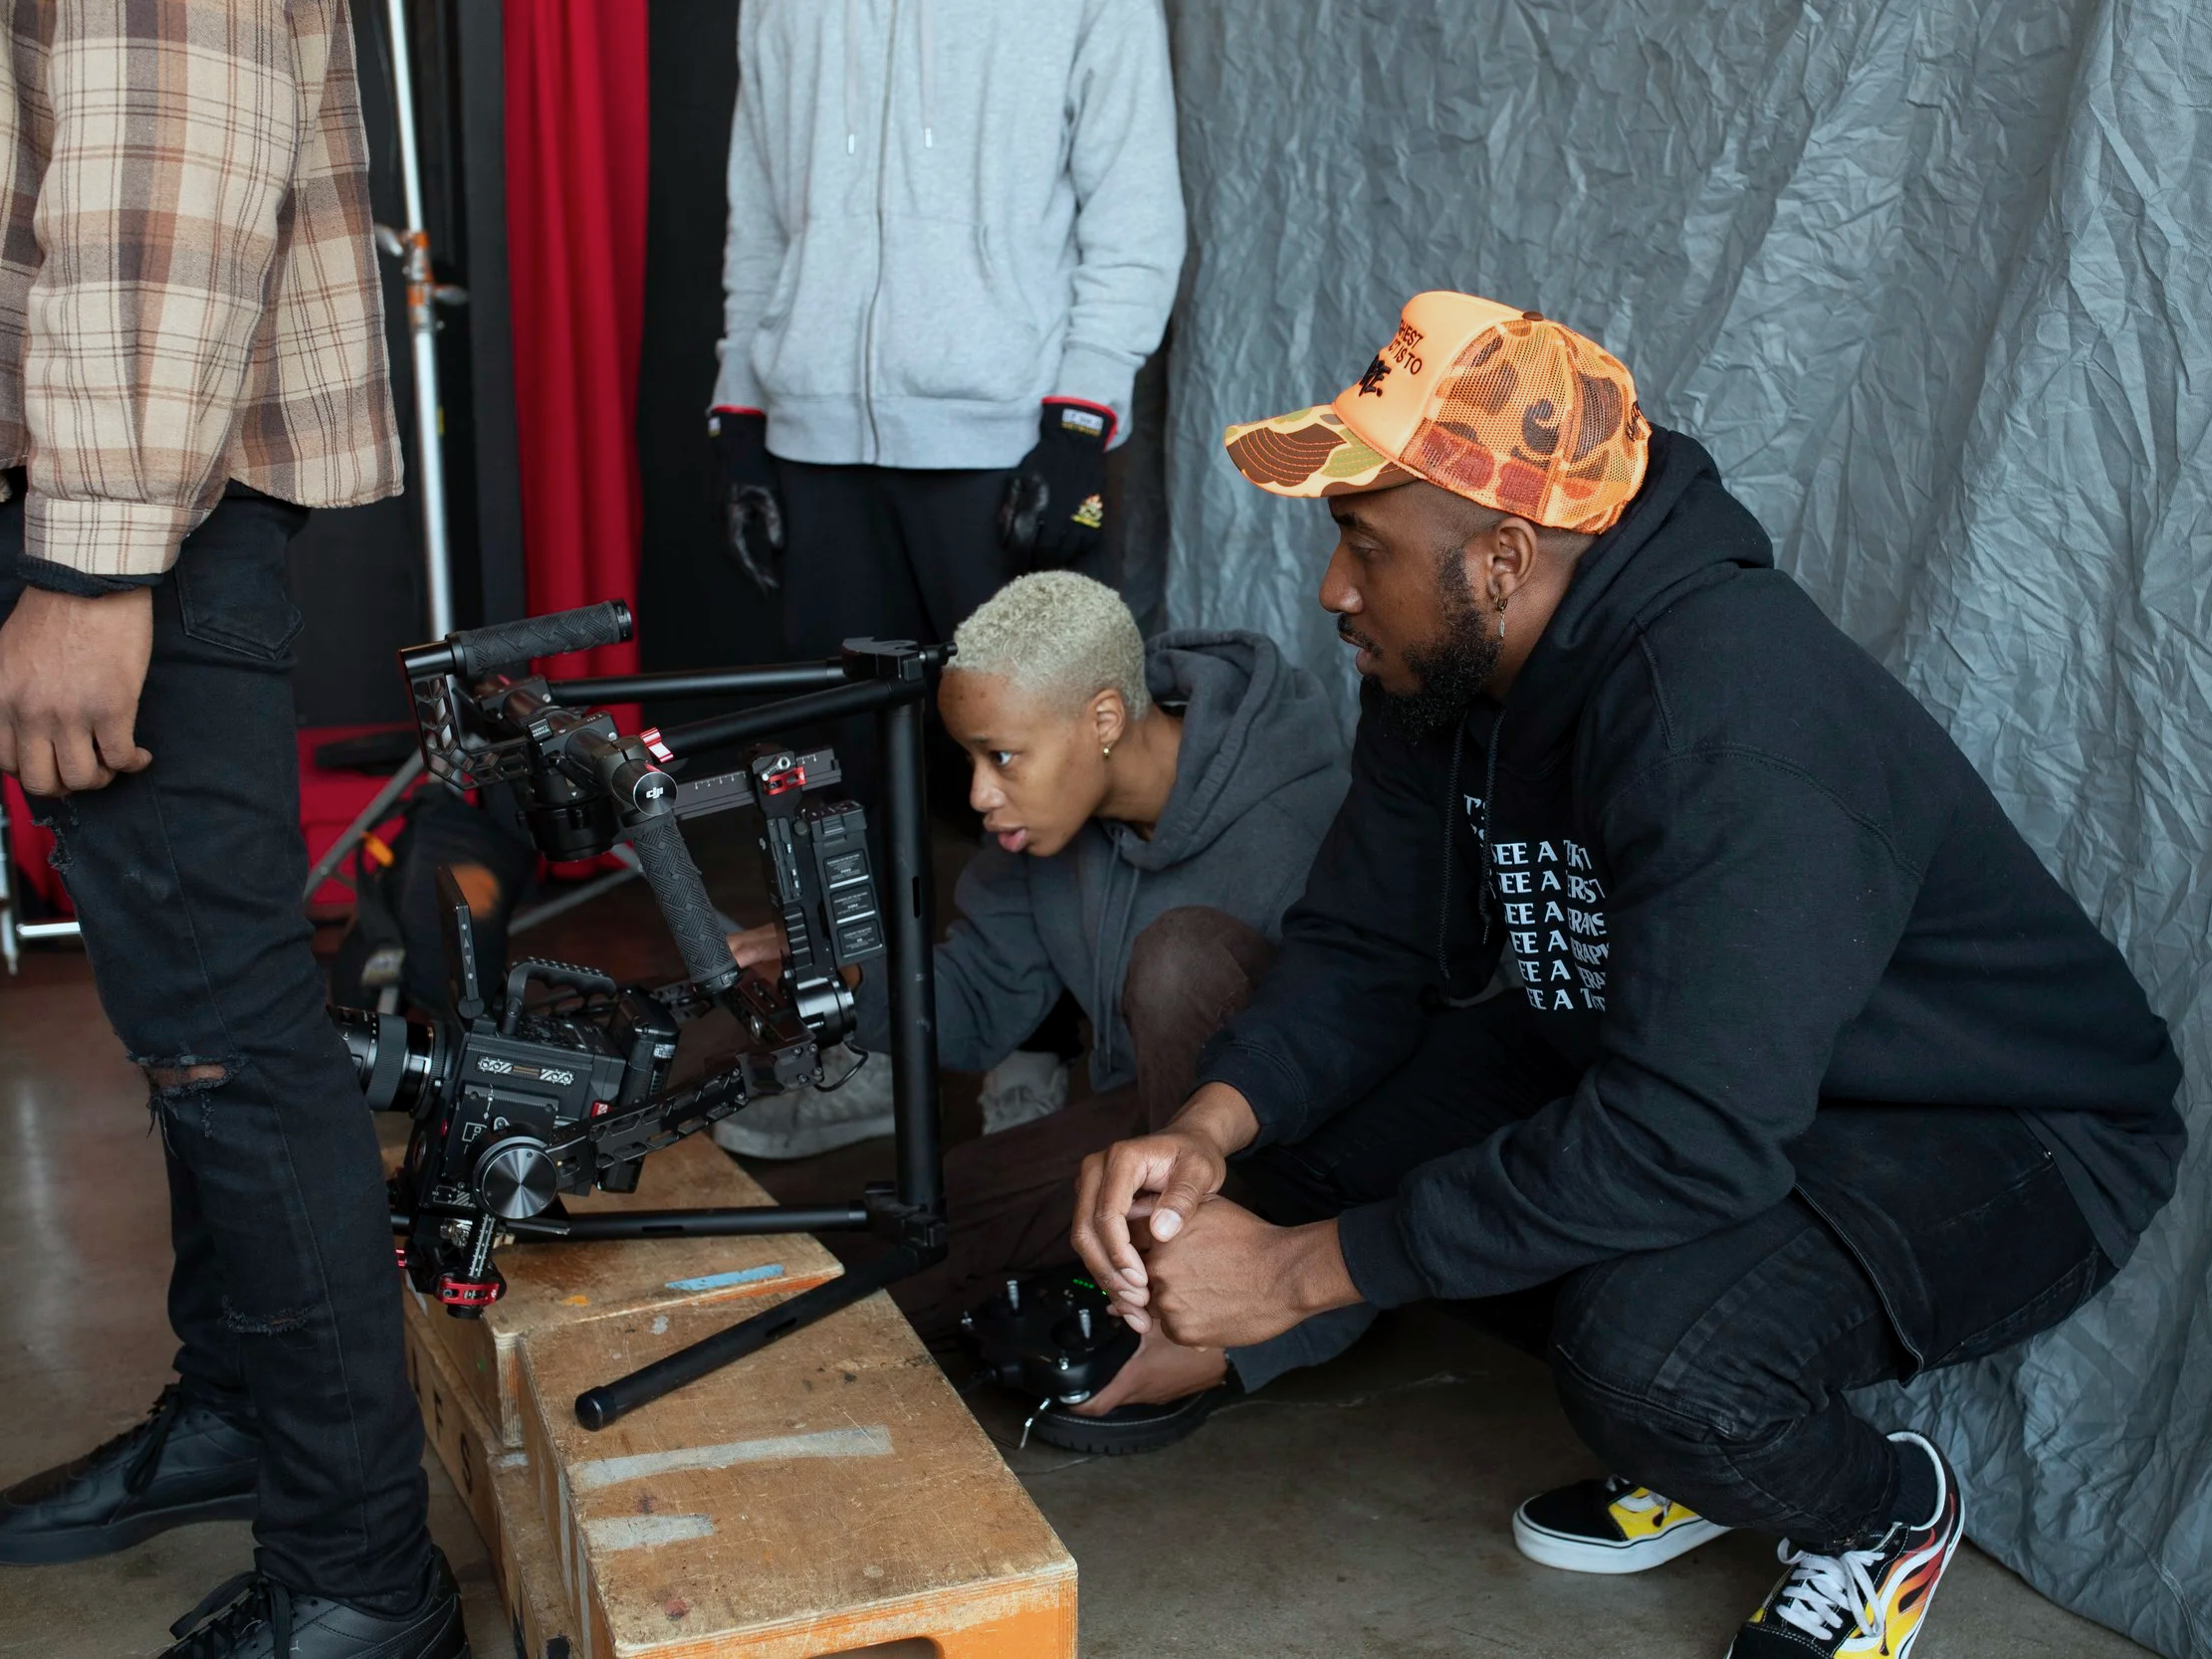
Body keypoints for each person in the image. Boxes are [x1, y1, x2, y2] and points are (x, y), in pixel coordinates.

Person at [1069, 292, 2184, 1656]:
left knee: (1650, 1359)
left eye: (1362, 545)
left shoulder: (1728, 720)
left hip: (1990, 1124)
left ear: (1504, 555)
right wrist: (1204, 1127)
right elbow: (1363, 942)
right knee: (1302, 1153)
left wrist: (1298, 1275)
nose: (1331, 591)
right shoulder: (1441, 670)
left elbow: (1689, 1132)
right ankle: (1701, 1404)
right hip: (1682, 1054)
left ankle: (1873, 1510)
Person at [0, 8, 468, 1657]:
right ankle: (245, 1412)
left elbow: (167, 141)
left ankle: (359, 1577)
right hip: (100, 473)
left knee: (229, 1026)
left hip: (137, 495)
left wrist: (92, 557)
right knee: (189, 1004)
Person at [707, 0, 1185, 1151]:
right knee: (828, 777)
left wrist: (1078, 423)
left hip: (1005, 437)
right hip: (813, 437)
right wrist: (740, 414)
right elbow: (760, 216)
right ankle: (858, 1049)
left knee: (1035, 758)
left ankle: (1038, 1052)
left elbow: (1133, 209)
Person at [718, 572, 1344, 1349]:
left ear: (1103, 718)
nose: (980, 793)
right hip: (1134, 1135)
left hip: (1284, 1161)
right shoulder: (1038, 825)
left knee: (1180, 958)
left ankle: (1201, 1323)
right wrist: (842, 971)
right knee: (920, 1231)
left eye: (1004, 757)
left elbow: (1361, 1048)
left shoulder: (1296, 816)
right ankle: (1123, 1270)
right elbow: (977, 1008)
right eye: (972, 759)